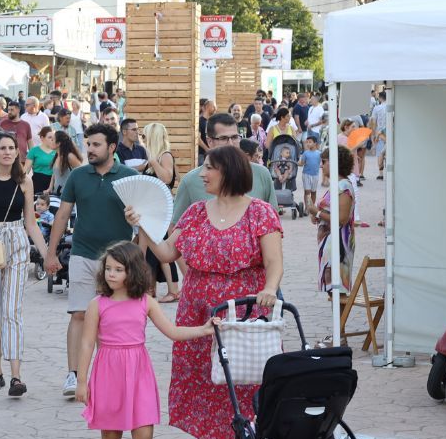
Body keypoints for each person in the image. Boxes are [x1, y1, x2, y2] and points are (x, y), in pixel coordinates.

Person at [132, 145, 283, 439]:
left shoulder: (259, 212)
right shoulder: (197, 212)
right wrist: (143, 226)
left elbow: (274, 262)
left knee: (252, 388)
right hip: (198, 313)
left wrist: (271, 289)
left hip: (244, 313)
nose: (202, 174)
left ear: (228, 171)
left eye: (209, 168)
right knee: (205, 386)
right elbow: (168, 252)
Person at [74, 242, 220, 439]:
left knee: (144, 434)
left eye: (119, 269)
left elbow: (173, 332)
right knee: (111, 434)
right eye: (108, 269)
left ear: (134, 272)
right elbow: (86, 344)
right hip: (108, 372)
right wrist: (82, 381)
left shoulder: (145, 301)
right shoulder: (98, 304)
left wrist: (203, 329)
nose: (111, 274)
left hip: (138, 372)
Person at [44, 125, 139, 398]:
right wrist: (51, 254)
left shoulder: (129, 177)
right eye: (89, 144)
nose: (90, 149)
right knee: (79, 313)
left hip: (118, 260)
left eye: (97, 144)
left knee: (113, 319)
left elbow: (142, 219)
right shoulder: (77, 176)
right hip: (82, 253)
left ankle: (108, 376)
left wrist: (139, 257)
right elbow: (62, 216)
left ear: (112, 148)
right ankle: (73, 375)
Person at [0, 133, 51, 397]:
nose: (7, 152)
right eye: (1, 148)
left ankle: (17, 375)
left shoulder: (24, 181)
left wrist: (47, 253)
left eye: (11, 148)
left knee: (11, 309)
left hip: (16, 241)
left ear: (17, 153)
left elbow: (31, 222)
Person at [173, 113, 280, 223]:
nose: (230, 144)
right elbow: (176, 227)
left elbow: (273, 222)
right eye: (223, 138)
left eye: (234, 137)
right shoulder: (190, 181)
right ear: (210, 141)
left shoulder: (261, 174)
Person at [140, 122, 179, 302]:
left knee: (161, 248)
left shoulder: (164, 156)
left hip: (161, 208)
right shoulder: (154, 157)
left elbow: (167, 178)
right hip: (150, 207)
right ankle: (149, 288)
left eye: (145, 136)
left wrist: (153, 161)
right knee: (147, 248)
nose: (143, 140)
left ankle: (172, 290)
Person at [310, 146, 356, 293]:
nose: (321, 165)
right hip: (330, 242)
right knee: (333, 290)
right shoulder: (337, 185)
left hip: (338, 244)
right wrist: (318, 215)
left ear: (334, 162)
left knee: (337, 290)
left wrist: (317, 213)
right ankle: (338, 317)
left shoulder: (344, 186)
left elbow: (342, 219)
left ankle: (340, 317)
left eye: (324, 161)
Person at [49, 129, 84, 197]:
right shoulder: (57, 155)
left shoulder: (69, 156)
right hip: (57, 194)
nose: (50, 141)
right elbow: (55, 174)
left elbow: (82, 173)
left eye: (52, 139)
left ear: (58, 143)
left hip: (69, 196)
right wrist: (50, 188)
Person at [24, 126, 57, 196]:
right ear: (42, 138)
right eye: (49, 137)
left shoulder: (57, 151)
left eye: (54, 137)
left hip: (54, 182)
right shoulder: (34, 150)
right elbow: (26, 169)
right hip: (38, 182)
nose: (52, 139)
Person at [300, 135, 322, 213]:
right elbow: (302, 163)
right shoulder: (306, 153)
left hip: (315, 175)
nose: (308, 144)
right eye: (307, 142)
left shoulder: (319, 153)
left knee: (313, 192)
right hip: (306, 174)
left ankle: (312, 207)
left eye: (310, 142)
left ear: (315, 143)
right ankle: (307, 207)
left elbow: (322, 163)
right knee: (307, 191)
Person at [371, 90, 388, 180]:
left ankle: (381, 173)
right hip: (390, 133)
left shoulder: (377, 108)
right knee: (389, 152)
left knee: (379, 153)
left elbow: (374, 122)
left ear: (380, 98)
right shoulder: (390, 107)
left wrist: (373, 134)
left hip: (379, 133)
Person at [197, 99, 216, 164]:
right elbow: (198, 139)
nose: (215, 109)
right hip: (202, 155)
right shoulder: (200, 121)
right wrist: (207, 149)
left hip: (211, 154)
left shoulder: (211, 121)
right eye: (213, 106)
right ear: (207, 107)